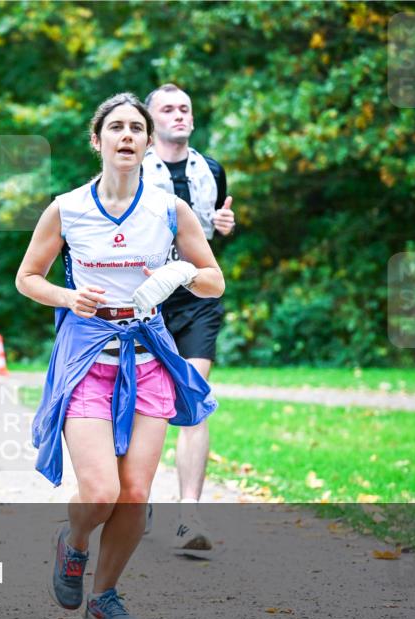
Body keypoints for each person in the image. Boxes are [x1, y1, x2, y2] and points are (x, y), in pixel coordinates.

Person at [16, 92, 223, 619]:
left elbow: (213, 279)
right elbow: (27, 278)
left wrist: (175, 274)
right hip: (88, 358)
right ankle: (74, 541)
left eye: (137, 128)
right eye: (116, 127)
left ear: (149, 143)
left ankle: (103, 597)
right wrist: (67, 298)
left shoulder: (168, 209)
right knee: (102, 490)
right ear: (97, 139)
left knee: (135, 493)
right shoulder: (67, 207)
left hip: (148, 358)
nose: (127, 135)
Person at [142, 83, 236, 557]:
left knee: (194, 397)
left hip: (197, 297)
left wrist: (226, 230)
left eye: (185, 109)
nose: (178, 116)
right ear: (151, 119)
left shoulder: (211, 169)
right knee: (142, 406)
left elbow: (214, 239)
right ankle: (135, 498)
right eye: (168, 109)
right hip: (145, 299)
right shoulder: (132, 168)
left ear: (193, 120)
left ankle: (189, 516)